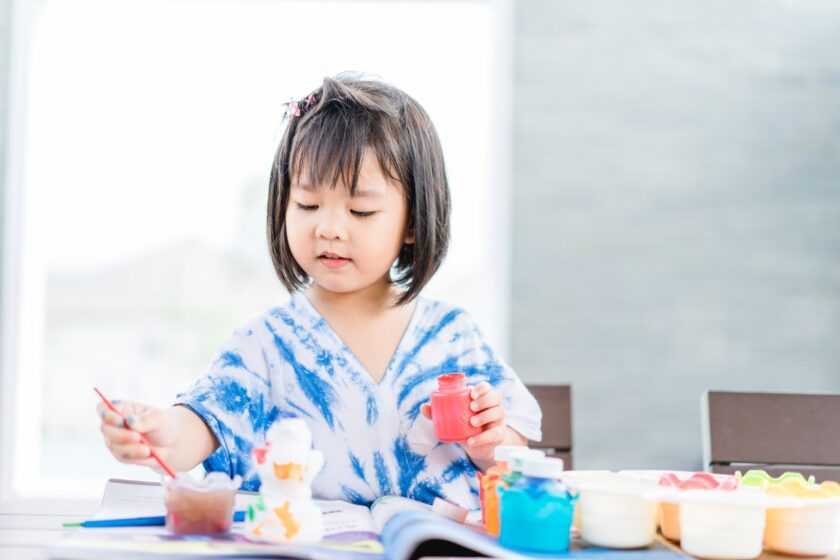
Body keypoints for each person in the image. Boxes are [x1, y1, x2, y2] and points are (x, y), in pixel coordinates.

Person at [98, 74, 542, 508]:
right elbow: (198, 427)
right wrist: (162, 433)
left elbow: (513, 452)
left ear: (412, 221)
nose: (329, 228)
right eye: (307, 205)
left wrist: (491, 444)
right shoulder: (263, 345)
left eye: (361, 210)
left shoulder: (452, 337)